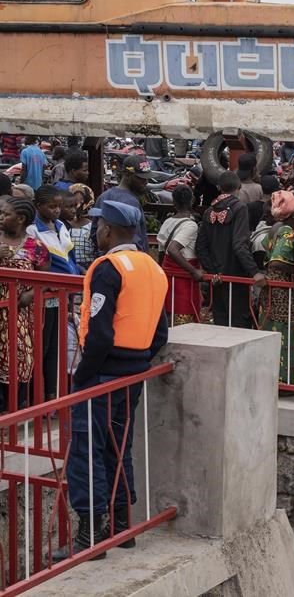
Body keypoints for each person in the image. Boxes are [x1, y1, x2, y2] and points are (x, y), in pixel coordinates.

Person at [52, 200, 168, 561]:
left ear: (108, 230)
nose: (94, 231)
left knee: (88, 450)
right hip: (132, 373)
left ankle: (90, 536)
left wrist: (84, 376)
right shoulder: (153, 268)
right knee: (119, 446)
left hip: (102, 374)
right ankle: (121, 528)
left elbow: (99, 334)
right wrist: (135, 361)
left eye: (97, 225)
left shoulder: (108, 268)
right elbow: (161, 334)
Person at [29, 185, 82, 400]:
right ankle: (39, 395)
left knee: (56, 347)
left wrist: (79, 271)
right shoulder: (32, 230)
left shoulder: (61, 225)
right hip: (46, 295)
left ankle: (53, 393)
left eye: (59, 206)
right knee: (43, 346)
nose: (57, 211)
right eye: (52, 207)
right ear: (39, 206)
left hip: (63, 293)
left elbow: (69, 258)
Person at [195, 171, 265, 328]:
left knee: (221, 323)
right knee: (239, 325)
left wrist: (213, 271)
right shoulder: (240, 208)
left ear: (219, 187)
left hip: (217, 279)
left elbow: (201, 246)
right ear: (239, 187)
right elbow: (240, 245)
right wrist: (255, 271)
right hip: (237, 277)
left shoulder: (208, 211)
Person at [0, 197, 50, 411]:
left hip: (20, 313)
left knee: (19, 356)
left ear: (20, 219)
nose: (1, 218)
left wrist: (31, 293)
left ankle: (13, 407)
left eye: (5, 214)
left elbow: (46, 279)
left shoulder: (36, 247)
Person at [258, 191, 294, 385]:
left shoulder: (275, 228)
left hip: (273, 292)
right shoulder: (287, 232)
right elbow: (277, 262)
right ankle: (288, 383)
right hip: (285, 295)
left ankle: (270, 380)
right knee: (287, 338)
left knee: (273, 336)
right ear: (293, 214)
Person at [158, 185, 203, 325]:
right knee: (184, 315)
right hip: (183, 277)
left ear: (174, 203)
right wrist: (194, 271)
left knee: (168, 313)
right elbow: (172, 249)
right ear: (192, 200)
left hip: (168, 274)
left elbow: (162, 251)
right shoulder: (190, 226)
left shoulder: (167, 222)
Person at [92, 155, 152, 252]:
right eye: (141, 178)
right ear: (127, 175)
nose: (146, 182)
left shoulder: (103, 196)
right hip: (129, 261)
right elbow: (135, 242)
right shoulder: (131, 202)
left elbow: (94, 234)